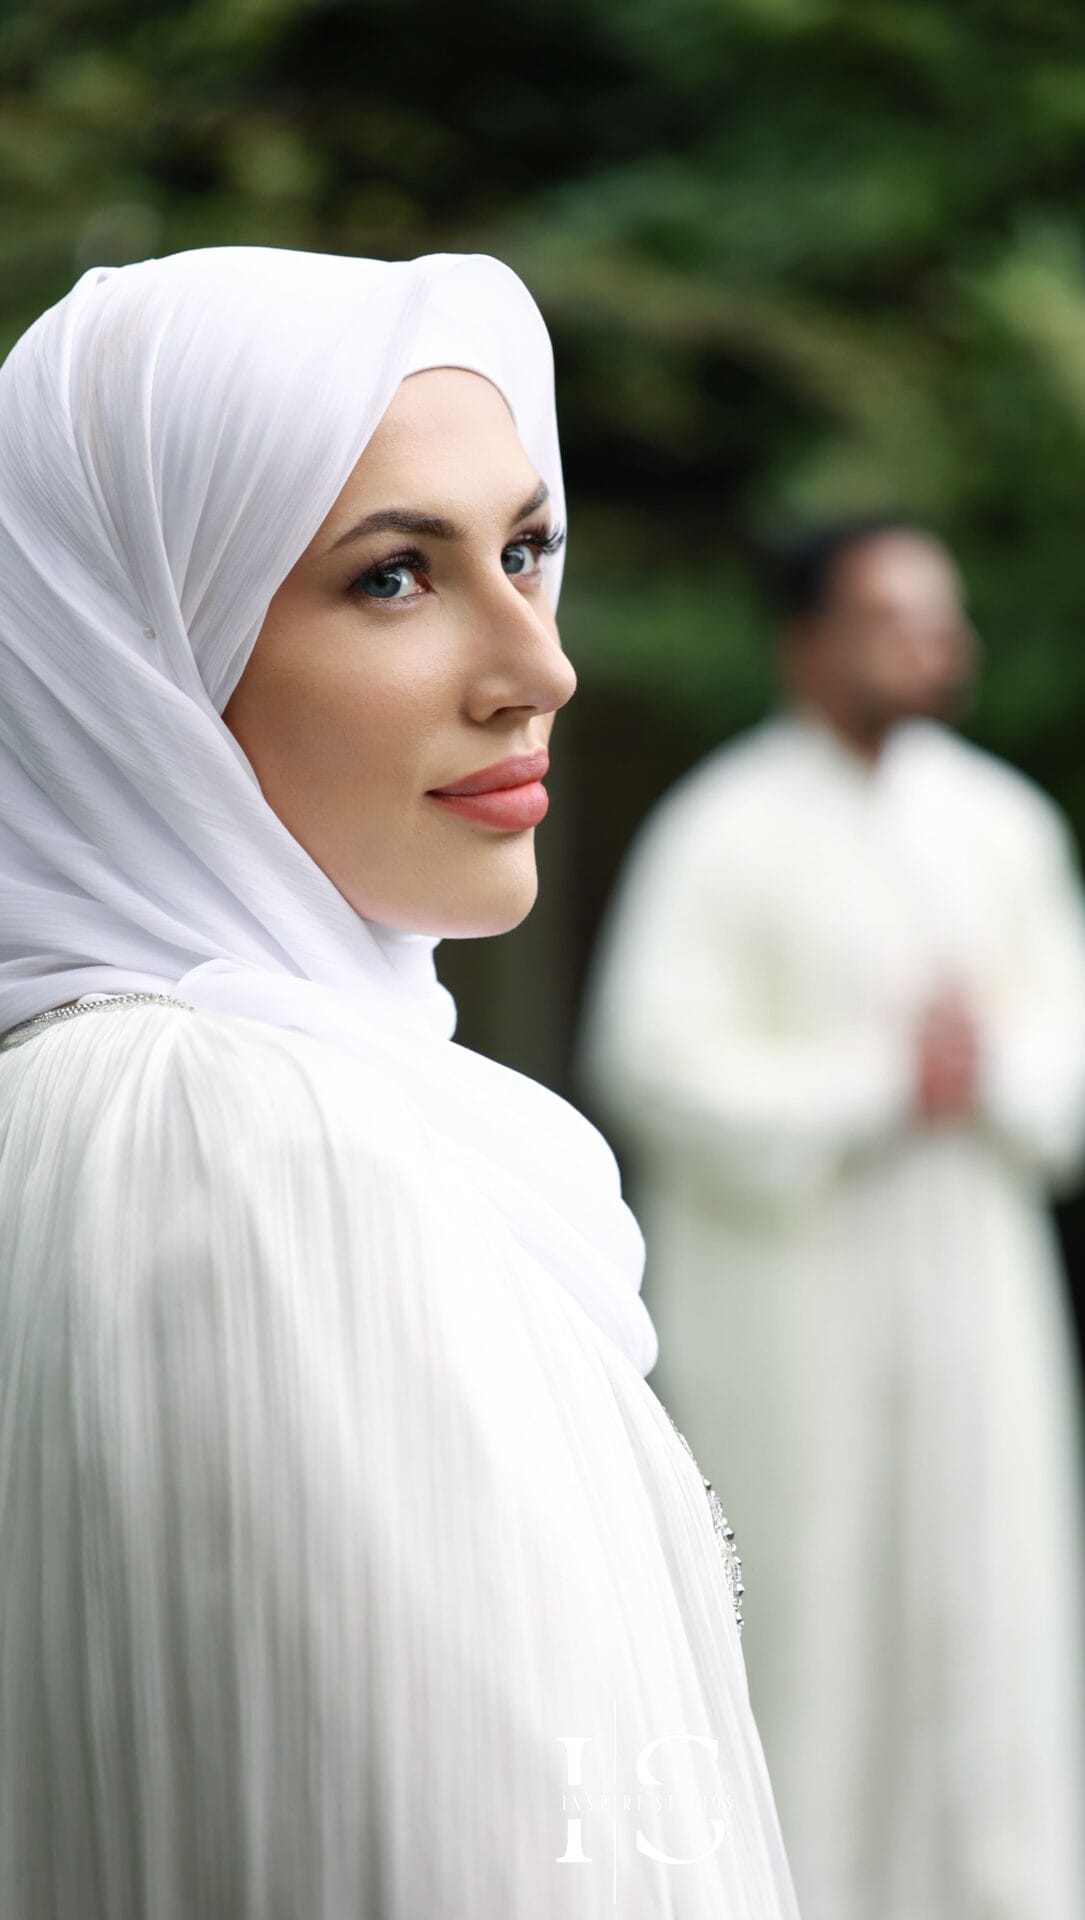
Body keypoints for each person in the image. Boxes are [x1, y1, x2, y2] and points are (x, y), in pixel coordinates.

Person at [0, 246, 801, 1920]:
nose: (539, 664)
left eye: (525, 549)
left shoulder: (108, 1105)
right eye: (392, 577)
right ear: (139, 661)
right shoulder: (252, 1146)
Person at [578, 516, 1085, 1920]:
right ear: (809, 642)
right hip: (798, 1313)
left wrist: (991, 1069)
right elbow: (652, 1058)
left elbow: (1079, 1012)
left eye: (943, 618)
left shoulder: (1003, 821)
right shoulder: (721, 831)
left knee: (992, 1613)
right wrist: (877, 1082)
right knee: (813, 1627)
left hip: (976, 1290)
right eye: (894, 617)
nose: (936, 647)